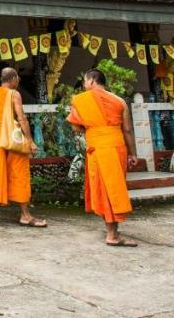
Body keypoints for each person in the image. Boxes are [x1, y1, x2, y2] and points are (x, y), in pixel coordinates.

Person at [68, 68, 138, 246]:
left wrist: (94, 129)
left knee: (104, 189)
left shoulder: (80, 100)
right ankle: (112, 233)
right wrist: (133, 153)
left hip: (97, 148)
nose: (84, 85)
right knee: (114, 188)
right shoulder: (120, 101)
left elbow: (76, 128)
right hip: (116, 147)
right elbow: (127, 130)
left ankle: (111, 233)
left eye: (85, 81)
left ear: (91, 80)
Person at [0, 67, 47, 227]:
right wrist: (30, 140)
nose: (19, 81)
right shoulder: (14, 94)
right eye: (18, 78)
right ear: (13, 78)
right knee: (19, 169)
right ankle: (25, 215)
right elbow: (21, 118)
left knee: (0, 170)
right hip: (10, 135)